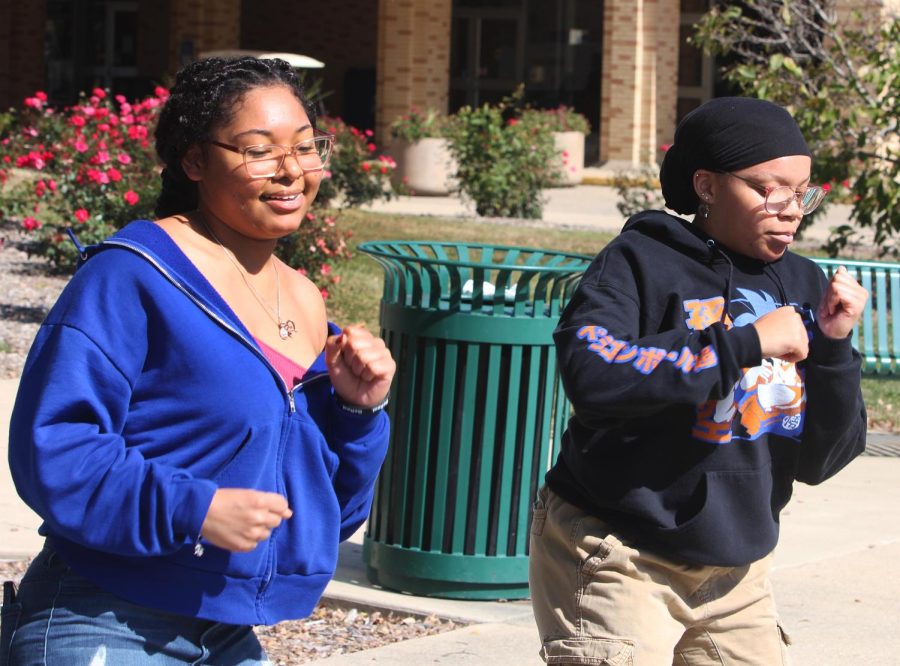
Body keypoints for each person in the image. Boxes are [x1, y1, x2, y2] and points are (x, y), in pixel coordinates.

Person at [3, 56, 395, 664]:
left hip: (226, 630)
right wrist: (195, 507)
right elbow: (54, 446)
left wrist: (359, 411)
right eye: (259, 150)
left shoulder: (306, 299)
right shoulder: (133, 276)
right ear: (193, 160)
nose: (291, 170)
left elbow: (332, 514)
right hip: (105, 615)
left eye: (305, 146)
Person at [529, 97, 869, 665]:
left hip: (737, 573)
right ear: (707, 186)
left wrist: (833, 347)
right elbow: (593, 375)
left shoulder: (804, 284)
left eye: (802, 192)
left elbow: (820, 461)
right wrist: (746, 342)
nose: (791, 210)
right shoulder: (639, 262)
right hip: (619, 551)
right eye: (769, 189)